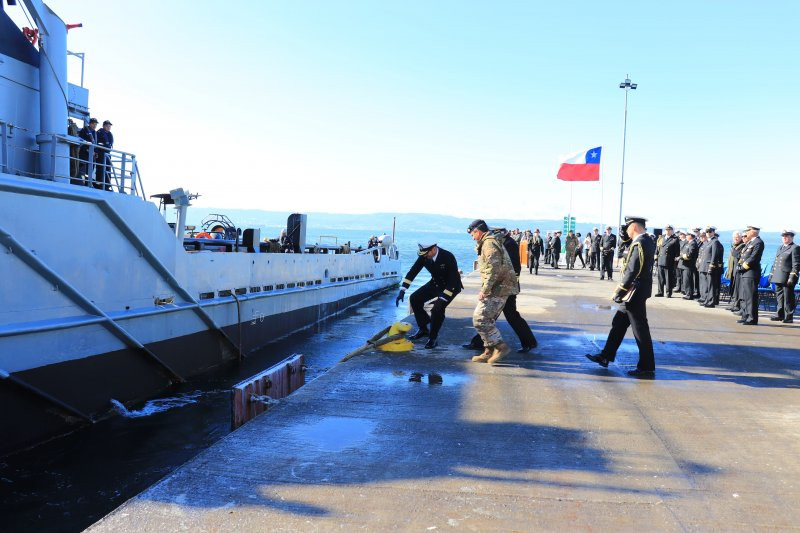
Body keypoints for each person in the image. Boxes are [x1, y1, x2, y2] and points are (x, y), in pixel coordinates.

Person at [586, 216, 656, 377]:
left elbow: (633, 269)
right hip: (635, 292)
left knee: (640, 330)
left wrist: (620, 290)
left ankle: (647, 366)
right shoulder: (644, 240)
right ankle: (605, 356)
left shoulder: (641, 242)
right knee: (618, 323)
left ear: (635, 226)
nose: (626, 230)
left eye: (628, 227)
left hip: (634, 293)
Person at [463, 228, 538, 353]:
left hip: (505, 287)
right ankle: (480, 342)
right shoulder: (499, 242)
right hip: (501, 287)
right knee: (491, 315)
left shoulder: (507, 243)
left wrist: (506, 284)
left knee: (506, 316)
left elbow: (513, 266)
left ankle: (529, 342)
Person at [466, 220, 519, 364]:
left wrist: (485, 290)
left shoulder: (489, 243)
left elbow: (492, 269)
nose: (472, 237)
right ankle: (488, 351)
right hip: (499, 286)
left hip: (499, 287)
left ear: (478, 231)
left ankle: (501, 347)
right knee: (486, 319)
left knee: (480, 318)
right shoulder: (487, 242)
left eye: (472, 234)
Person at [396, 242, 462, 349]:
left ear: (433, 249)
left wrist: (443, 297)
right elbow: (413, 271)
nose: (425, 256)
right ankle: (423, 329)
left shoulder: (447, 256)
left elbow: (453, 279)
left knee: (437, 309)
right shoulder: (424, 255)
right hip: (435, 284)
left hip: (450, 286)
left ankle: (433, 338)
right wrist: (402, 290)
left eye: (427, 253)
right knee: (414, 299)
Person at [769, 230, 799, 323]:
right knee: (780, 297)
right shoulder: (780, 247)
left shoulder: (795, 248)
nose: (785, 238)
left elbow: (796, 264)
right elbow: (776, 262)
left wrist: (792, 276)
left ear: (792, 237)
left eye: (787, 236)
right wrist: (771, 274)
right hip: (778, 275)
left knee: (788, 297)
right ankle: (780, 314)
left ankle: (789, 317)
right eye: (783, 236)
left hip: (787, 277)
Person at [736, 225, 764, 325]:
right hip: (745, 273)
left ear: (754, 231)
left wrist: (743, 267)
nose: (746, 232)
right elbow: (743, 256)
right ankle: (745, 315)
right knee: (744, 296)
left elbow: (754, 258)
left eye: (748, 231)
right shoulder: (750, 242)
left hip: (751, 272)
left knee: (751, 297)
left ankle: (752, 318)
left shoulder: (758, 242)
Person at [699, 227, 724, 308]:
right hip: (704, 266)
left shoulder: (715, 242)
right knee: (707, 285)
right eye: (707, 232)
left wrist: (711, 267)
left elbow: (714, 255)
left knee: (711, 285)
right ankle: (707, 300)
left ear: (713, 232)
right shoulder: (708, 242)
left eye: (710, 231)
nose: (708, 233)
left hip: (710, 267)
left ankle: (711, 301)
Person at [654, 225, 680, 297]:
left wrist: (675, 262)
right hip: (660, 260)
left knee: (668, 278)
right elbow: (658, 248)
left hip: (669, 261)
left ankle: (668, 293)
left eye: (669, 230)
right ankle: (660, 292)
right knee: (660, 277)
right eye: (666, 230)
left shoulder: (675, 239)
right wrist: (656, 255)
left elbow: (677, 251)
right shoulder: (661, 238)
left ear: (672, 231)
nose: (667, 231)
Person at [725, 232, 744, 310]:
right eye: (734, 237)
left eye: (737, 237)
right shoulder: (734, 246)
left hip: (738, 270)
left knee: (737, 289)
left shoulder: (742, 246)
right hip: (733, 270)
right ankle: (733, 304)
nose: (736, 239)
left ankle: (737, 305)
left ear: (741, 238)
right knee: (733, 288)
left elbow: (739, 257)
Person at [77, 117, 98, 184]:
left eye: (95, 124)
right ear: (90, 124)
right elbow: (81, 141)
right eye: (93, 124)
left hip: (92, 155)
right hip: (84, 154)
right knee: (83, 169)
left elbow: (95, 143)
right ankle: (81, 182)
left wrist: (95, 152)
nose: (95, 126)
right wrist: (86, 149)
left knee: (90, 169)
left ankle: (87, 183)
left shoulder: (94, 132)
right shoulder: (84, 130)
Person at [679, 232, 699, 300]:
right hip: (685, 264)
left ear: (691, 236)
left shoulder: (693, 243)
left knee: (688, 280)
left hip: (688, 265)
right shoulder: (689, 243)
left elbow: (689, 254)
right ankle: (688, 293)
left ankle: (689, 295)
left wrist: (680, 257)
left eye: (687, 235)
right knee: (686, 280)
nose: (686, 236)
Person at [95, 120, 113, 190]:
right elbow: (98, 143)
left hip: (107, 154)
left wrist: (106, 145)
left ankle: (107, 185)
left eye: (109, 126)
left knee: (108, 169)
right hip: (100, 153)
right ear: (104, 126)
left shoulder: (110, 134)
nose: (109, 127)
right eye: (107, 126)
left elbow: (110, 144)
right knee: (100, 169)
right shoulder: (99, 132)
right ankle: (99, 184)